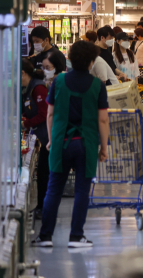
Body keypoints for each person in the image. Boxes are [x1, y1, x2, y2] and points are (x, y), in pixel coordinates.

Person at [31, 40, 110, 249]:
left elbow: (50, 114)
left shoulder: (59, 82)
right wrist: (104, 147)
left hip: (60, 143)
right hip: (86, 144)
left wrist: (50, 141)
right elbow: (103, 120)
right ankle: (76, 236)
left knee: (53, 189)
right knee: (82, 191)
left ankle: (45, 236)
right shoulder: (98, 86)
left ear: (71, 59)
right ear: (92, 61)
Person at [21, 59, 50, 218]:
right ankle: (42, 207)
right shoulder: (30, 88)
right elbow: (32, 110)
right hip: (42, 136)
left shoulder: (38, 88)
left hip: (48, 138)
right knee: (44, 174)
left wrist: (26, 123)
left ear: (23, 73)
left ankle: (43, 208)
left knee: (45, 174)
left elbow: (44, 114)